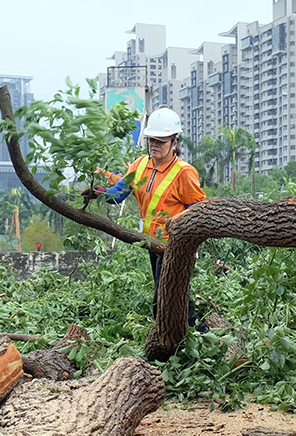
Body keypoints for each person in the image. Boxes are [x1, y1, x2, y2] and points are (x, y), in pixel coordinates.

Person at [87, 108, 207, 327]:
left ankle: (193, 339)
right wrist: (98, 192)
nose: (154, 145)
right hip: (152, 244)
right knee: (173, 299)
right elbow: (119, 193)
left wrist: (189, 243)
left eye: (160, 141)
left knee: (163, 301)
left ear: (174, 142)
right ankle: (195, 339)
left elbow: (198, 211)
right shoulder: (140, 165)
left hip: (175, 245)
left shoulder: (184, 172)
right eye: (151, 140)